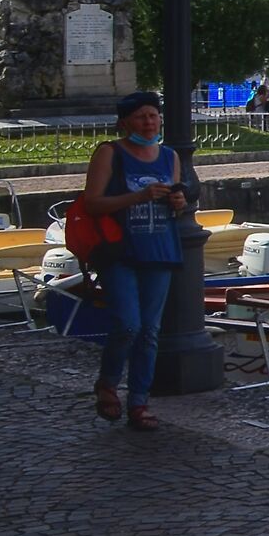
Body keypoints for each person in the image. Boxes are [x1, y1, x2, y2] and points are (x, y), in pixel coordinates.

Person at [82, 92, 190, 431]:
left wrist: (178, 202)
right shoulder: (109, 153)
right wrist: (138, 196)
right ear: (125, 122)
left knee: (150, 331)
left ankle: (139, 402)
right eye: (142, 117)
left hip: (159, 250)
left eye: (154, 116)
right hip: (120, 251)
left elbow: (179, 205)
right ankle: (108, 383)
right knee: (128, 324)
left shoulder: (169, 156)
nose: (149, 122)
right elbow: (92, 204)